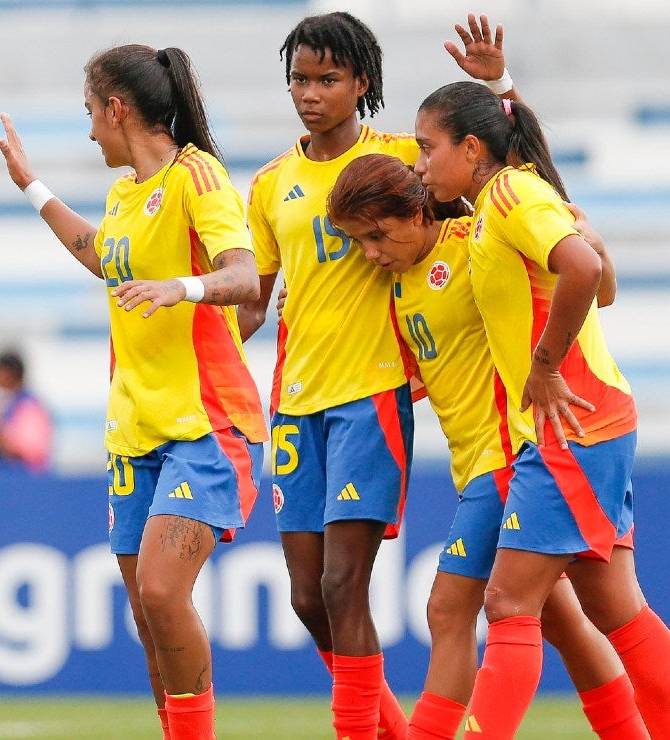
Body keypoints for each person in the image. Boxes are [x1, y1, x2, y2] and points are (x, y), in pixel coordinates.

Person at [234, 13, 519, 739]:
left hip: (372, 397)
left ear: (362, 82)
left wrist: (500, 91)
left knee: (343, 584)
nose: (310, 93)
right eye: (299, 79)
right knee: (306, 599)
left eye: (328, 78)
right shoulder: (269, 184)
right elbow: (254, 302)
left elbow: (503, 192)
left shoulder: (403, 159)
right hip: (296, 404)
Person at [412, 82, 670, 739]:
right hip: (584, 422)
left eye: (429, 148)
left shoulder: (509, 195)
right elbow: (593, 270)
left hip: (574, 423)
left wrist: (543, 366)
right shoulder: (502, 200)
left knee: (508, 600)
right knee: (617, 611)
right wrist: (502, 85)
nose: (421, 164)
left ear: (472, 147)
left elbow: (585, 271)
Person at [327, 153, 648, 739]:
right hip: (476, 460)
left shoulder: (473, 243)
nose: (370, 252)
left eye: (377, 235)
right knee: (563, 619)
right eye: (359, 242)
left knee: (448, 607)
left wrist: (591, 249)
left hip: (508, 454)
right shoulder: (397, 281)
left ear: (417, 212)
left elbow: (573, 278)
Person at [0, 44, 267, 740]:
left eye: (91, 112)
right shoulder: (124, 195)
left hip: (206, 424)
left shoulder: (197, 175)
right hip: (135, 429)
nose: (90, 130)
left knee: (161, 591)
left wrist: (182, 286)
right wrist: (32, 187)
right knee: (149, 618)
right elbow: (102, 255)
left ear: (116, 109)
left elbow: (244, 276)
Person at [0, 347, 54, 474]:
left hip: (22, 481)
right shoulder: (10, 405)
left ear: (10, 373)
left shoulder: (29, 407)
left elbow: (20, 454)